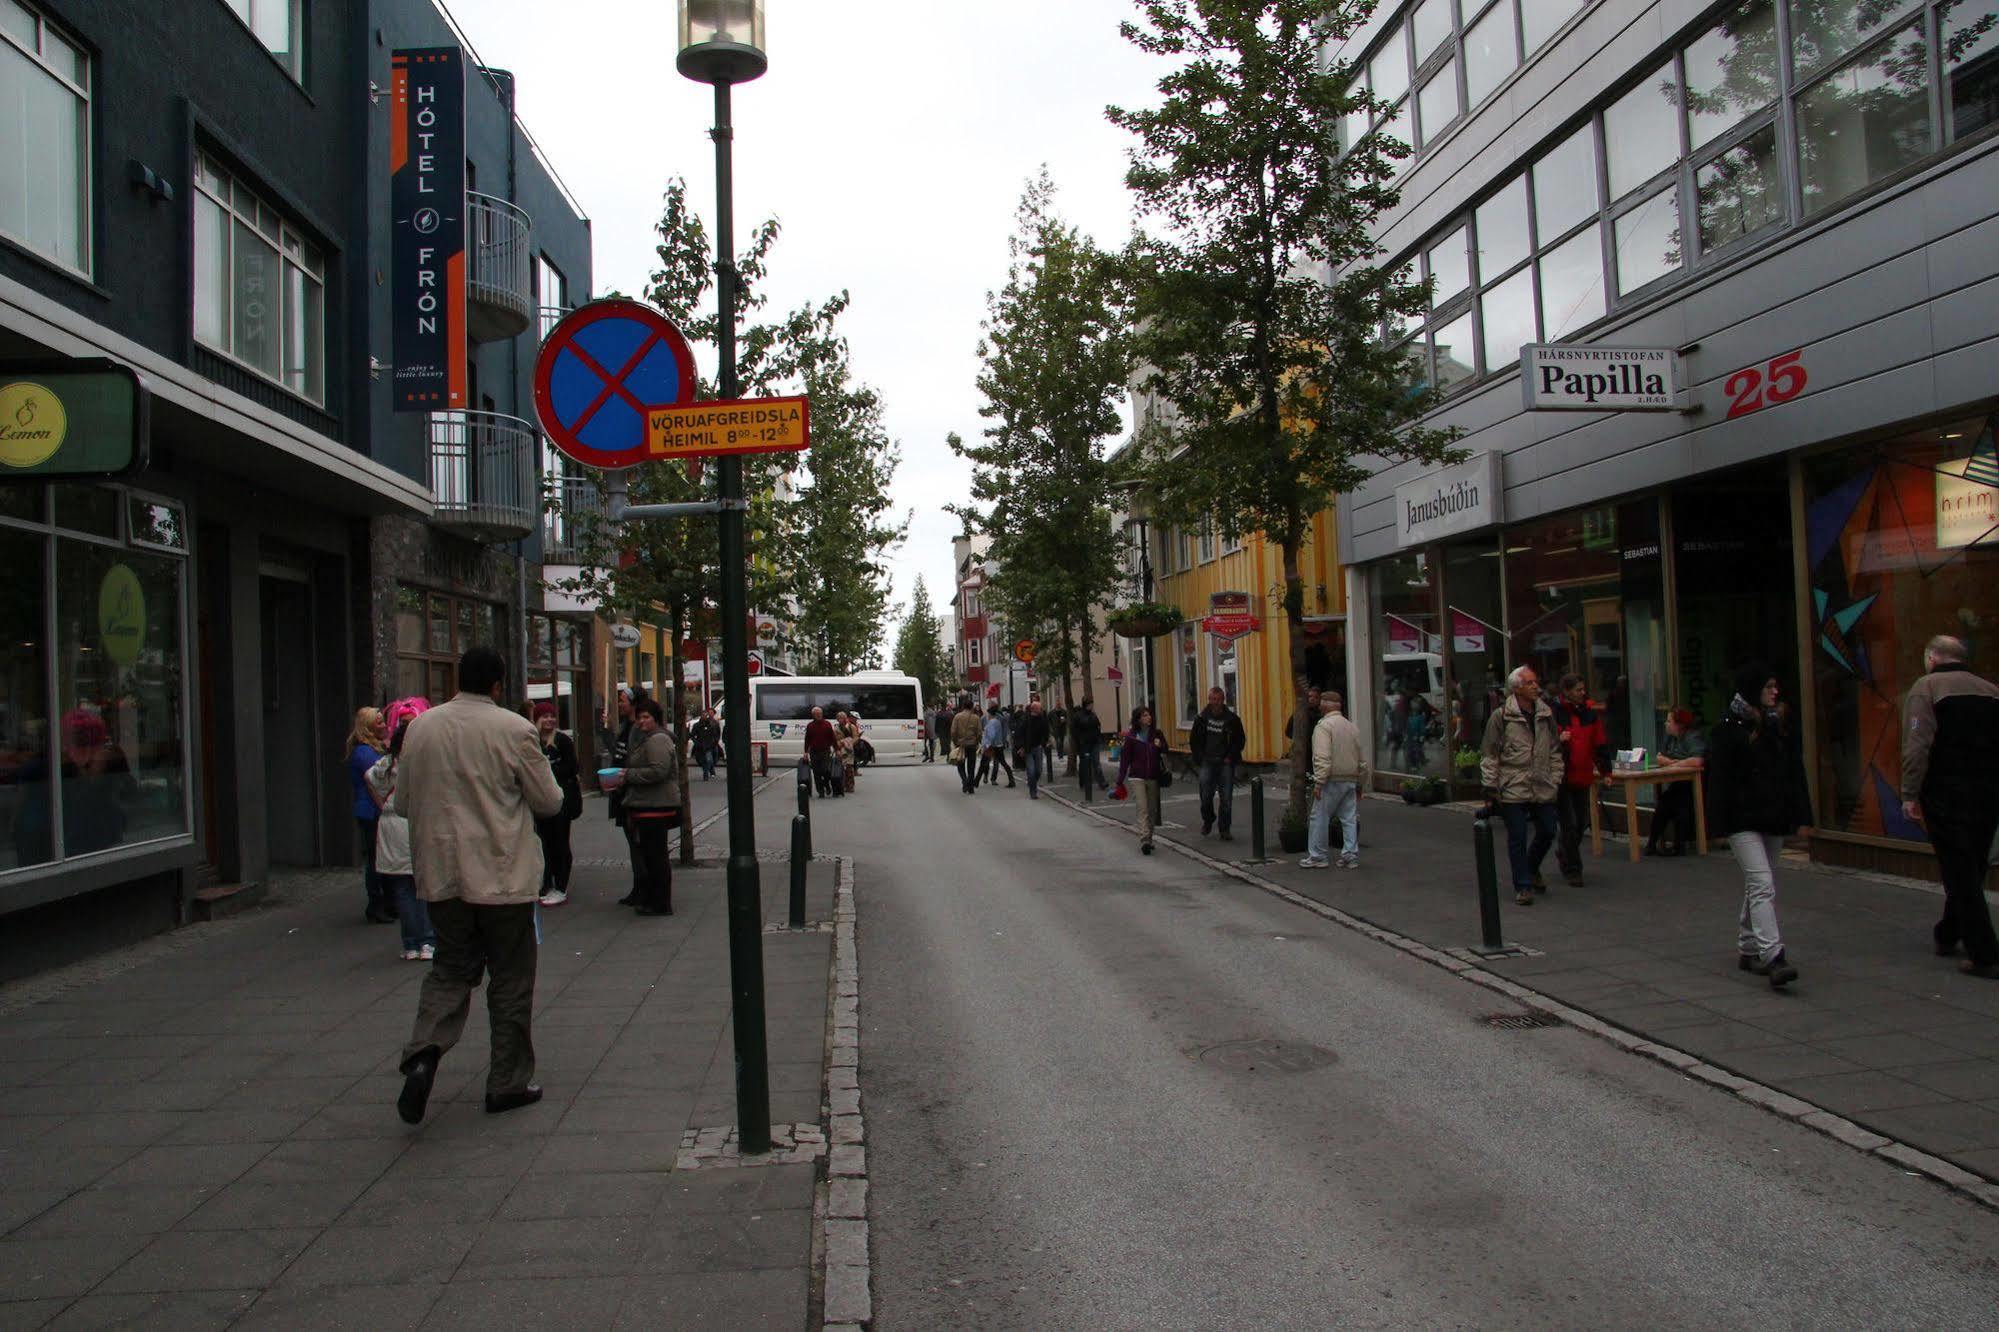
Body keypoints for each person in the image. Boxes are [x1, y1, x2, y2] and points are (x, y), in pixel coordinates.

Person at [393, 646, 564, 1125]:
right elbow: (549, 801)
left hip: (442, 875)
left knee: (450, 969)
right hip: (502, 875)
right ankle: (507, 1082)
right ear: (497, 685)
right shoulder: (513, 729)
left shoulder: (421, 729)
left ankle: (424, 1053)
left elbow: (404, 802)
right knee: (510, 977)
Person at [1901, 635, 1999, 979]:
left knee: (1959, 869)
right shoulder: (1990, 690)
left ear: (1932, 657)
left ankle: (1984, 952)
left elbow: (1917, 745)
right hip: (1987, 792)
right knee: (1971, 864)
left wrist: (1910, 793)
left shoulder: (1926, 688)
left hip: (1946, 791)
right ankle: (1948, 931)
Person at [1708, 663, 1811, 990]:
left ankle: (1749, 946)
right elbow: (1720, 778)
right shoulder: (1729, 727)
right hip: (1742, 818)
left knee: (1761, 882)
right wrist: (1718, 822)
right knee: (1762, 881)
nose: (1774, 691)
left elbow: (1794, 770)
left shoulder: (1779, 724)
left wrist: (1800, 812)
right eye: (1768, 686)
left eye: (1776, 686)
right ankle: (1773, 955)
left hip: (1772, 814)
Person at [1480, 666, 1564, 907]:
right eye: (1530, 683)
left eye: (1536, 682)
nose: (1536, 686)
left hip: (1542, 783)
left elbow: (1555, 750)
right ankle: (1523, 885)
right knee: (1517, 835)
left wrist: (1555, 777)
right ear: (1517, 688)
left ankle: (1530, 867)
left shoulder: (1546, 714)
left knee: (1548, 830)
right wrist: (1490, 787)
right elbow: (1490, 754)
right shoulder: (1502, 716)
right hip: (1513, 784)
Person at [367, 712, 434, 961]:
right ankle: (428, 940)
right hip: (413, 822)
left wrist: (382, 805)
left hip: (389, 825)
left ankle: (410, 943)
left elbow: (369, 779)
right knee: (422, 885)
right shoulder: (417, 763)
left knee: (402, 889)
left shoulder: (385, 764)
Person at [623, 699, 683, 917]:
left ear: (655, 718)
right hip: (648, 804)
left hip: (656, 805)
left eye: (646, 717)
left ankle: (660, 902)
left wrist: (627, 776)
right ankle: (654, 899)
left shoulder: (658, 739)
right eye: (639, 717)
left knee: (656, 856)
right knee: (651, 855)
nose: (641, 721)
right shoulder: (650, 738)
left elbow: (659, 771)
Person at [1551, 673, 1611, 888]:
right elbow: (1545, 741)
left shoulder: (1589, 714)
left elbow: (1600, 741)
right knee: (1569, 823)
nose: (1582, 692)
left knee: (1582, 822)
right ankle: (1573, 869)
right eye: (1578, 689)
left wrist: (1606, 771)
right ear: (1566, 692)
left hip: (1583, 774)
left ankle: (1565, 852)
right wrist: (1559, 739)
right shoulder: (1554, 712)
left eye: (1582, 689)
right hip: (1563, 775)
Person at [1305, 693, 1368, 869]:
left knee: (1319, 816)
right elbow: (1362, 759)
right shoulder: (1351, 727)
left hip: (1331, 778)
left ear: (1325, 705)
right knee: (1348, 818)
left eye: (1322, 702)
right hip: (1350, 778)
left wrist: (1319, 781)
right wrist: (1361, 781)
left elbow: (1322, 756)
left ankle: (1318, 855)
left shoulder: (1324, 727)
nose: (1319, 705)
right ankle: (1350, 854)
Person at [531, 703, 582, 907]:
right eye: (545, 716)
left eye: (552, 716)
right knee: (543, 843)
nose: (549, 720)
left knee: (560, 842)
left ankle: (561, 886)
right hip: (540, 800)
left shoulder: (562, 740)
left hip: (563, 800)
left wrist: (546, 773)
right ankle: (546, 884)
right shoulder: (533, 740)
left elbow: (572, 767)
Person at [346, 706, 392, 925]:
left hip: (377, 808)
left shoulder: (376, 748)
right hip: (371, 810)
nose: (385, 726)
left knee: (380, 857)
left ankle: (384, 901)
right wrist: (383, 807)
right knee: (375, 858)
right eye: (380, 722)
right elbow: (374, 781)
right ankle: (376, 903)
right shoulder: (364, 752)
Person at [1645, 709, 1707, 857]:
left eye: (1669, 721)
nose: (1666, 724)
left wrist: (1671, 763)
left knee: (1678, 802)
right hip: (1678, 781)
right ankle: (1652, 843)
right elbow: (1662, 757)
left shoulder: (1692, 737)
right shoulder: (1671, 738)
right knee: (1664, 802)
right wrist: (1670, 762)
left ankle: (1679, 844)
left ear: (1679, 724)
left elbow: (1697, 760)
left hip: (1694, 783)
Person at [1188, 686, 1247, 841]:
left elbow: (1240, 740)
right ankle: (1208, 819)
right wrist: (1199, 758)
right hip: (1207, 761)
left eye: (1217, 700)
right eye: (1212, 699)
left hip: (1225, 762)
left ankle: (1224, 829)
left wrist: (1231, 756)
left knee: (1226, 798)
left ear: (1223, 700)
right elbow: (1194, 740)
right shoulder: (1201, 718)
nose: (1214, 703)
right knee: (1205, 796)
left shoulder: (1232, 719)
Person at [1115, 706, 1169, 855]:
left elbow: (1166, 750)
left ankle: (1149, 838)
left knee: (1152, 810)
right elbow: (1125, 760)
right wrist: (1120, 780)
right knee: (1143, 808)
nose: (1148, 718)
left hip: (1153, 776)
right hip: (1137, 777)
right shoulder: (1132, 737)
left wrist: (1161, 745)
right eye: (1145, 715)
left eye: (1149, 715)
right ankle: (1144, 839)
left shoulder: (1156, 734)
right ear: (1138, 719)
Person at [1071, 696, 1105, 802]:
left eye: (1092, 704)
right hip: (1084, 744)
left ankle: (1102, 782)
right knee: (1084, 763)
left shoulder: (1093, 715)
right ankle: (1083, 781)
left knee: (1096, 762)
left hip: (1094, 742)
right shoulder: (1078, 716)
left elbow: (1098, 725)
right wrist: (1079, 742)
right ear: (1086, 704)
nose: (1091, 706)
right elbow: (1074, 731)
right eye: (1090, 704)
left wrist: (1098, 737)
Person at [803, 706, 841, 798]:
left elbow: (833, 738)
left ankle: (827, 785)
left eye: (820, 713)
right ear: (813, 715)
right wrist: (805, 752)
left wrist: (837, 750)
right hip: (814, 752)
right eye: (816, 714)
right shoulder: (810, 725)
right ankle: (820, 791)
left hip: (825, 751)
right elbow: (807, 739)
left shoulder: (827, 724)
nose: (819, 715)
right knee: (816, 773)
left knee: (826, 770)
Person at [1018, 699, 1051, 799]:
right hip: (1028, 748)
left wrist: (1046, 742)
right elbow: (1020, 734)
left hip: (1038, 747)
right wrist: (1021, 747)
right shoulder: (1026, 720)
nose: (1041, 709)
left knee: (1038, 770)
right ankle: (1033, 792)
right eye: (1040, 708)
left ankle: (1032, 782)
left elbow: (1046, 732)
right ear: (1035, 709)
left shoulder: (1042, 719)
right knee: (1031, 770)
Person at [950, 700, 983, 795]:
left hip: (961, 744)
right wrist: (977, 741)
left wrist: (955, 741)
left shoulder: (957, 717)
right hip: (972, 744)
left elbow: (953, 731)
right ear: (972, 707)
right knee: (971, 766)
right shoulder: (976, 718)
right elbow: (979, 732)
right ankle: (971, 785)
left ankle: (964, 780)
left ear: (963, 706)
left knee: (960, 764)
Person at [980, 704, 1015, 788]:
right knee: (987, 761)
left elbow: (1004, 729)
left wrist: (1003, 740)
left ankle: (993, 778)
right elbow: (982, 729)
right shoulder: (984, 718)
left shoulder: (1000, 718)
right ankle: (985, 775)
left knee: (996, 762)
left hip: (996, 743)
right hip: (992, 744)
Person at [691, 706, 721, 781]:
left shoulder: (711, 725)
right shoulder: (697, 725)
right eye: (703, 715)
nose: (705, 717)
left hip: (709, 746)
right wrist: (696, 742)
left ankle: (707, 772)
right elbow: (692, 735)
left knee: (709, 759)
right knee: (703, 760)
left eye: (706, 715)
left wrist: (714, 742)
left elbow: (715, 734)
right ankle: (706, 772)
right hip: (700, 746)